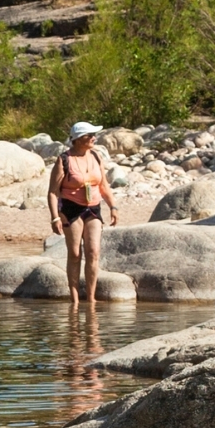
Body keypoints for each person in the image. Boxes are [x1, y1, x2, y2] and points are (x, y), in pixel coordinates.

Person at [48, 121, 120, 303]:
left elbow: (103, 185)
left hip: (93, 208)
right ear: (79, 139)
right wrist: (55, 217)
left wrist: (113, 206)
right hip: (71, 209)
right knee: (74, 254)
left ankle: (91, 297)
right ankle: (74, 298)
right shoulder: (64, 160)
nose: (94, 138)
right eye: (90, 135)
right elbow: (53, 192)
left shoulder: (96, 156)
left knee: (93, 251)